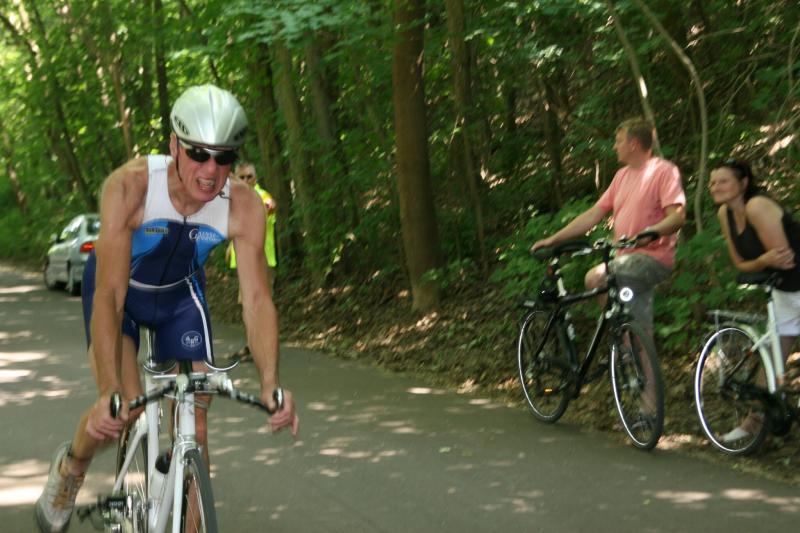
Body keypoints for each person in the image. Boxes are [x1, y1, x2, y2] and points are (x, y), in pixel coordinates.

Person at [35, 84, 299, 533]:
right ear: (174, 146)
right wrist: (107, 390)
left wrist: (271, 383)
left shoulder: (244, 206)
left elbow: (257, 301)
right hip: (120, 290)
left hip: (180, 296)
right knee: (123, 409)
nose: (211, 170)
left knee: (196, 419)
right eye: (198, 153)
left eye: (224, 157)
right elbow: (110, 296)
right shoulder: (131, 187)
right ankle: (71, 468)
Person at [532, 118, 686, 337]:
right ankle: (626, 339)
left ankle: (622, 333)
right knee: (637, 331)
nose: (614, 146)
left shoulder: (663, 171)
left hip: (652, 257)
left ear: (633, 144)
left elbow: (677, 217)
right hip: (624, 259)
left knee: (599, 279)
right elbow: (594, 214)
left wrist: (650, 233)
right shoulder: (621, 176)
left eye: (619, 141)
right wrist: (553, 239)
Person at [709, 158, 800, 441]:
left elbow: (784, 258)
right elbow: (740, 263)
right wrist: (762, 261)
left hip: (794, 281)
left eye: (723, 181)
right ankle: (755, 423)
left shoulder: (757, 206)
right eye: (712, 182)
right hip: (783, 289)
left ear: (743, 183)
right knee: (772, 358)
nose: (715, 186)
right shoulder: (725, 213)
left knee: (774, 354)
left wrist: (761, 263)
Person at [225, 162, 278, 360]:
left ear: (256, 178)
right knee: (248, 306)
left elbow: (269, 205)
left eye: (250, 176)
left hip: (260, 261)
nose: (247, 180)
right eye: (242, 177)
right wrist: (230, 247)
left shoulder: (260, 195)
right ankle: (251, 346)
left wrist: (269, 207)